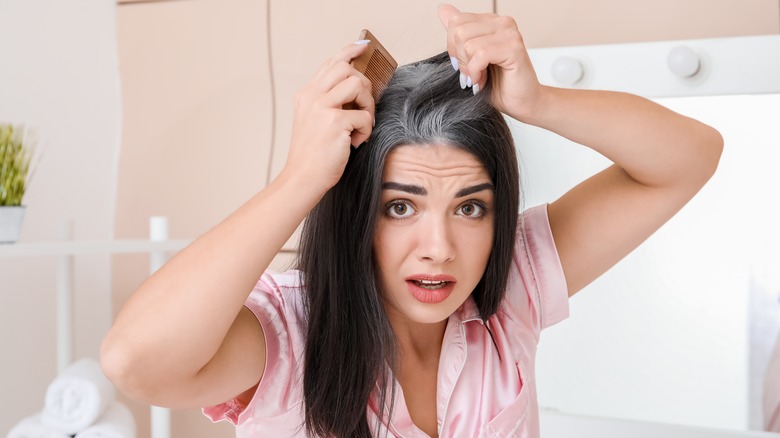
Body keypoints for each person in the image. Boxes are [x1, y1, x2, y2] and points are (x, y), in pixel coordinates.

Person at [100, 4, 723, 437]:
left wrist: (541, 101)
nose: (439, 248)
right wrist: (300, 179)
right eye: (400, 207)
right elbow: (136, 361)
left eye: (470, 207)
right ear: (358, 212)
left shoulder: (513, 289)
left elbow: (689, 157)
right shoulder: (288, 334)